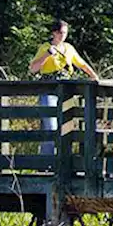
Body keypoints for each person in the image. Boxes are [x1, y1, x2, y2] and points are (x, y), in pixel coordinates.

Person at [28, 19, 98, 155]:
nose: (63, 36)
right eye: (60, 33)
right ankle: (48, 162)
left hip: (67, 90)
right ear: (54, 32)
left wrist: (94, 77)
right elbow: (33, 69)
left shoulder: (69, 48)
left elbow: (81, 64)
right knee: (51, 126)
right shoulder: (45, 47)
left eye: (65, 33)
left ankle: (61, 161)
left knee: (65, 127)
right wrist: (47, 55)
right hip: (49, 90)